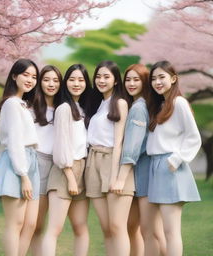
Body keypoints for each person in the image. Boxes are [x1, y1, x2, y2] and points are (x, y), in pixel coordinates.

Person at [0, 58, 40, 256]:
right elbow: (15, 141)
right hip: (18, 164)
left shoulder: (24, 105)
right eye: (26, 75)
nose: (30, 80)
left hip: (31, 161)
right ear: (14, 76)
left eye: (34, 77)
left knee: (30, 223)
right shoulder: (11, 104)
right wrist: (23, 175)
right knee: (15, 223)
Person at [147, 60, 201, 256]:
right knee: (159, 230)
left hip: (170, 168)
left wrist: (177, 159)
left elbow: (193, 137)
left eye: (161, 77)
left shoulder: (179, 103)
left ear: (173, 78)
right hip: (156, 167)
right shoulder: (160, 105)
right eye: (153, 78)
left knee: (171, 231)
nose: (157, 82)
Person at [85, 60, 134, 256]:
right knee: (106, 228)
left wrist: (115, 177)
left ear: (115, 81)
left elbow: (120, 142)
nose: (101, 80)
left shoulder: (120, 103)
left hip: (112, 162)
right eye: (98, 76)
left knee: (117, 226)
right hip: (93, 162)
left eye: (106, 76)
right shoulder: (99, 105)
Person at [41, 64, 91, 256]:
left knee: (81, 227)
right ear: (65, 83)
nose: (76, 84)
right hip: (64, 171)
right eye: (72, 79)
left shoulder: (83, 109)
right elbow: (61, 146)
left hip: (82, 170)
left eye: (80, 80)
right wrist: (70, 177)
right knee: (55, 229)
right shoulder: (63, 109)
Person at [119, 64, 166, 256]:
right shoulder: (143, 105)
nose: (131, 83)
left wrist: (121, 177)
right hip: (141, 173)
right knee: (137, 228)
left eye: (136, 79)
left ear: (145, 81)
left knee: (151, 230)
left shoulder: (139, 108)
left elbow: (132, 148)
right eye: (128, 79)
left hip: (145, 173)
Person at [30, 65, 62, 256]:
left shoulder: (64, 108)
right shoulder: (31, 107)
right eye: (46, 79)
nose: (51, 84)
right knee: (36, 224)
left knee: (51, 226)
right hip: (37, 164)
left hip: (58, 166)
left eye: (56, 80)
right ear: (40, 82)